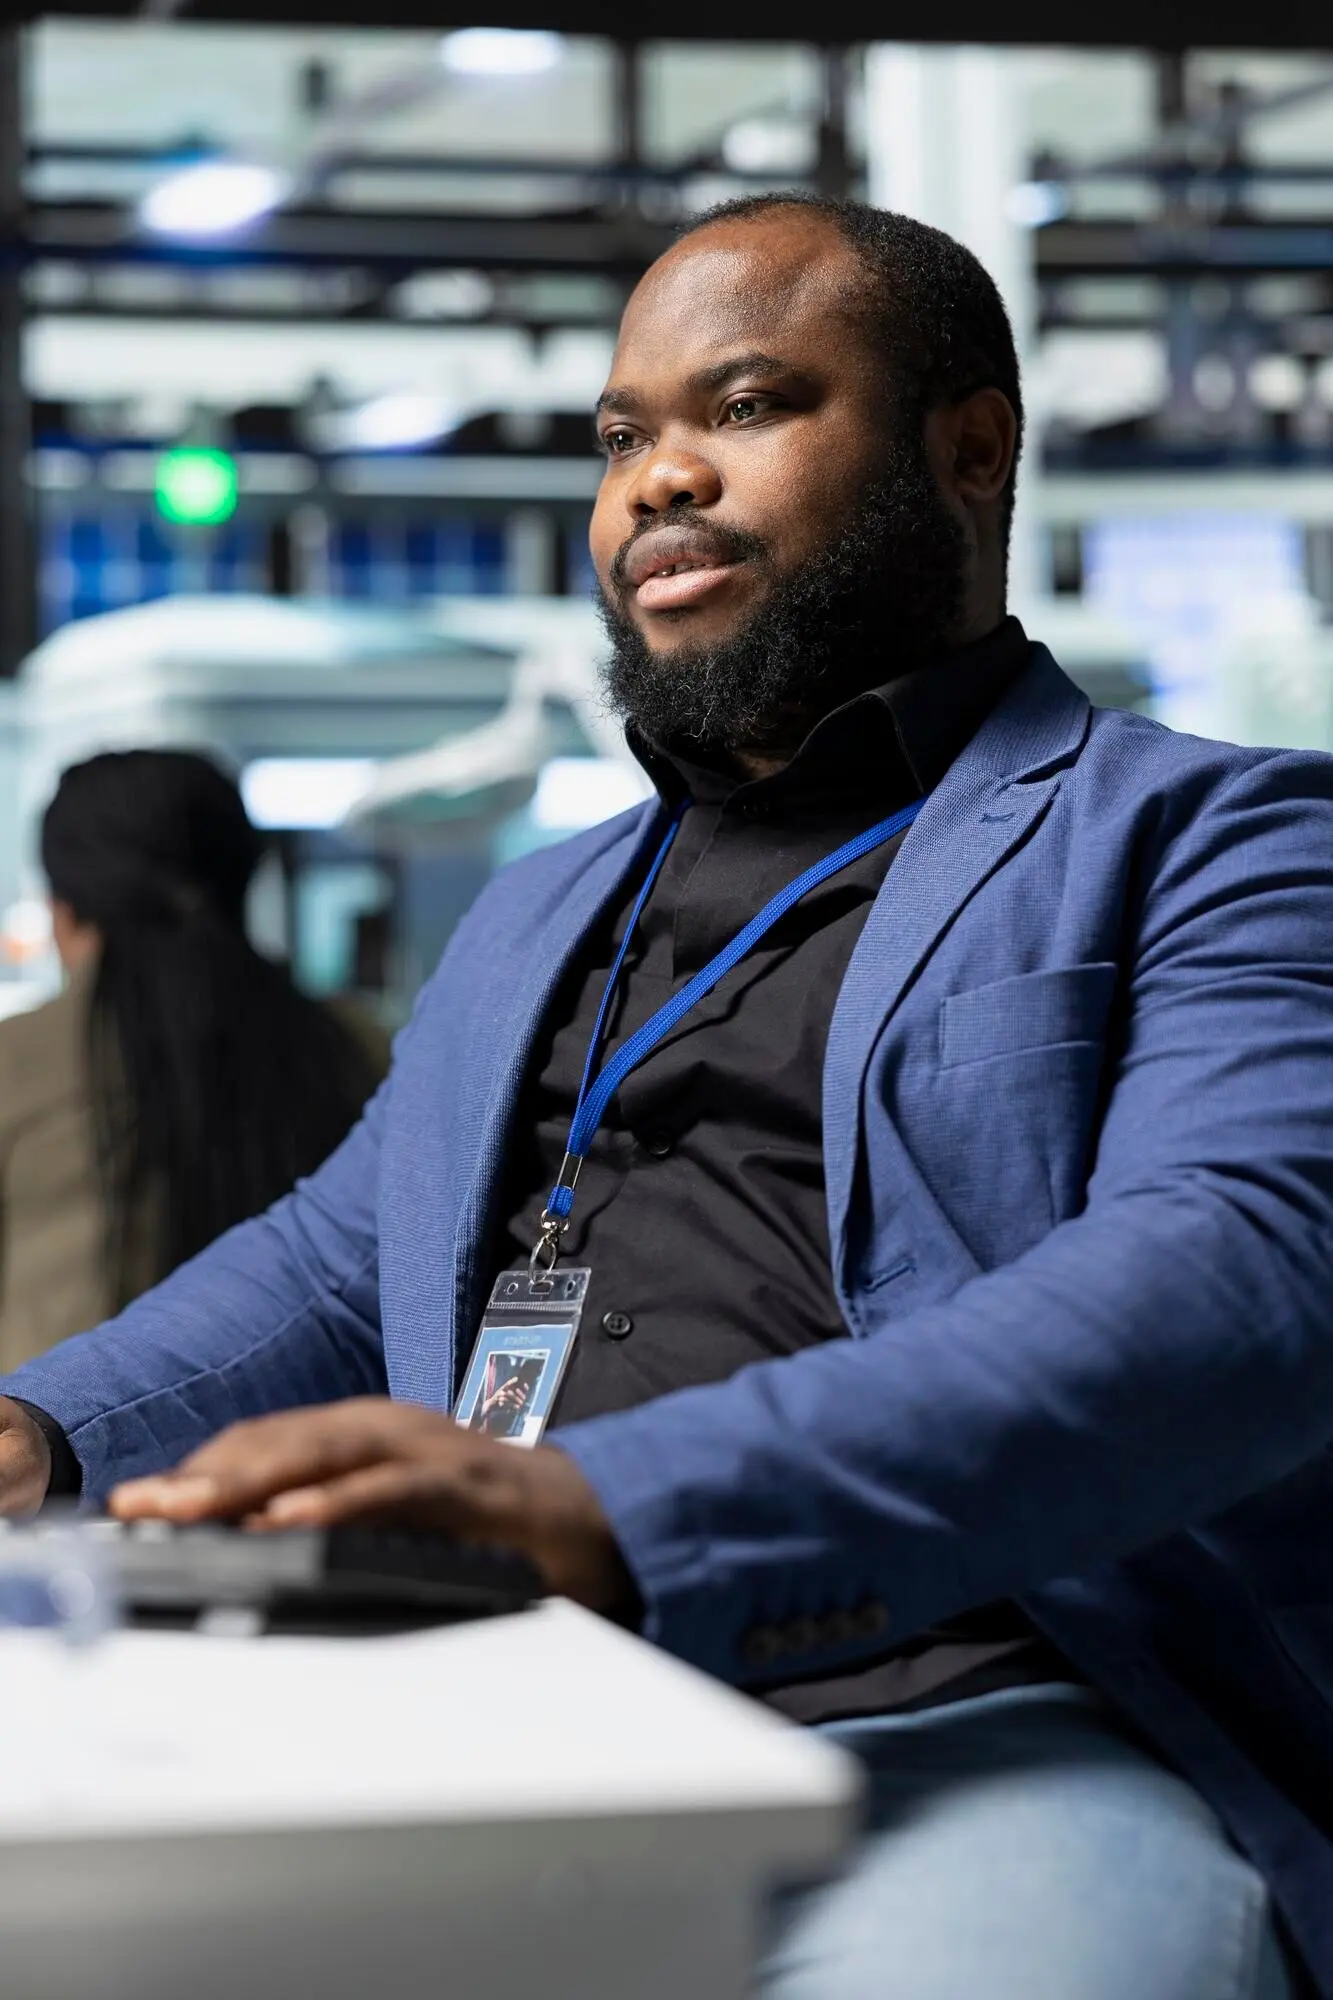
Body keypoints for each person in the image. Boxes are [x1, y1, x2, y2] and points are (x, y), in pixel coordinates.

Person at [0, 195, 1330, 1998]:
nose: (657, 480)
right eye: (622, 436)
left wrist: (614, 1509)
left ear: (969, 448)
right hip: (474, 1691)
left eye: (749, 405)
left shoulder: (1213, 841)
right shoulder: (548, 907)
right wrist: (48, 1433)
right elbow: (336, 1262)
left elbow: (1233, 1286)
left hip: (966, 1706)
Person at [0, 748, 387, 1369]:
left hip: (66, 1453)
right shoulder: (359, 1046)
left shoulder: (16, 1065)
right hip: (322, 1447)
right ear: (243, 879)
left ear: (64, 910)